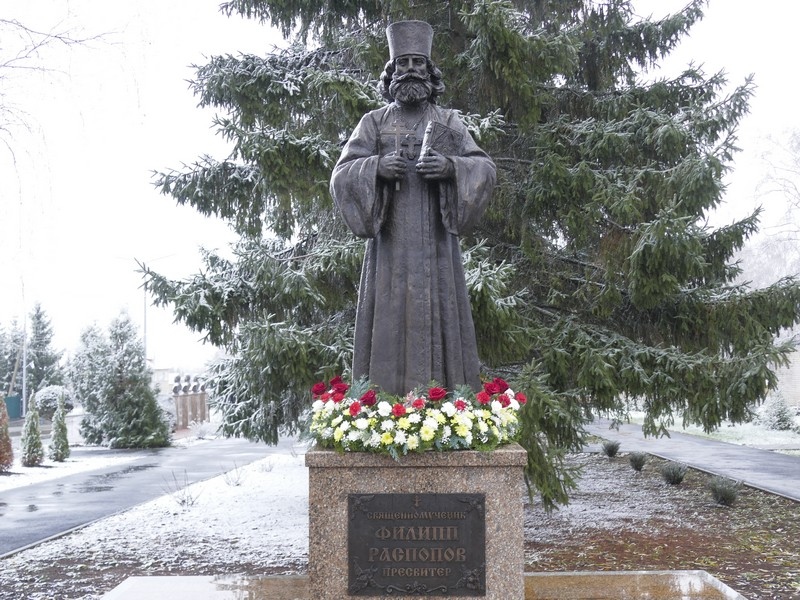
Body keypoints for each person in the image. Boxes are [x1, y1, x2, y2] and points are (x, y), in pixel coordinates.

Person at [330, 20, 496, 396]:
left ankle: (446, 403)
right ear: (391, 71)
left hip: (437, 247)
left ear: (429, 70)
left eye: (417, 62)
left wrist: (450, 167)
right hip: (390, 249)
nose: (409, 69)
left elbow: (484, 168)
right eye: (402, 62)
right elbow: (341, 175)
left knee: (441, 312)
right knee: (388, 317)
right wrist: (376, 168)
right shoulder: (373, 123)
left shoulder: (448, 121)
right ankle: (384, 406)